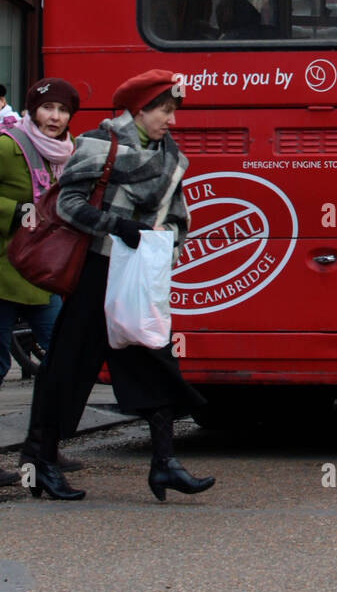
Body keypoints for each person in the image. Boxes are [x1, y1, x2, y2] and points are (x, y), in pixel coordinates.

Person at [26, 69, 214, 503]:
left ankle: (164, 464)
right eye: (164, 111)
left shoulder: (172, 157)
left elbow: (179, 216)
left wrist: (166, 246)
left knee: (157, 360)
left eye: (172, 112)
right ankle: (41, 464)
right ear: (139, 110)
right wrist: (118, 227)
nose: (171, 120)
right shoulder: (99, 143)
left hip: (138, 276)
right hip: (95, 270)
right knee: (68, 368)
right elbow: (68, 204)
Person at [0, 79, 79, 487]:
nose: (56, 117)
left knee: (60, 360)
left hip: (44, 274)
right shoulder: (8, 145)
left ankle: (42, 447)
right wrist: (18, 210)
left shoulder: (68, 151)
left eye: (63, 111)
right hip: (3, 272)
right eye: (48, 109)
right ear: (32, 109)